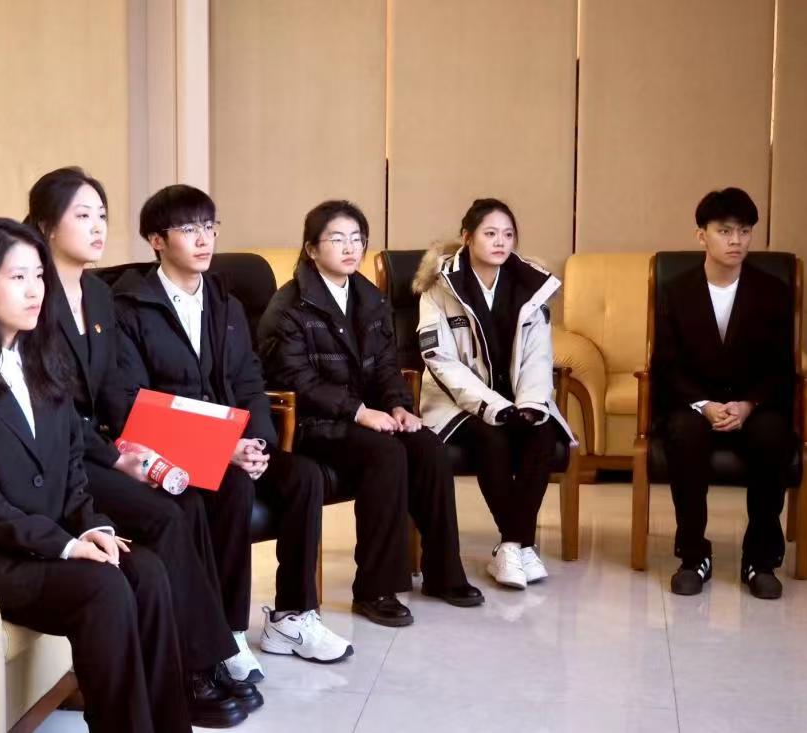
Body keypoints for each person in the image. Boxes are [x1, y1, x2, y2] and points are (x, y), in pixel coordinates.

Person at [0, 218, 190, 733]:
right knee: (102, 588)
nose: (35, 290)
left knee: (146, 571)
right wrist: (63, 544)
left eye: (39, 275)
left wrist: (92, 525)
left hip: (40, 540)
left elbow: (71, 466)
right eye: (18, 277)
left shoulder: (41, 358)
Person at [25, 166, 258, 727]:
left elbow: (114, 392)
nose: (98, 227)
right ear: (47, 226)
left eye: (102, 215)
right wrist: (118, 459)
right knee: (167, 514)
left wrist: (146, 451)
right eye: (82, 215)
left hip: (102, 444)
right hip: (62, 455)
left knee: (188, 495)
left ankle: (207, 651)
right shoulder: (33, 297)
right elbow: (48, 406)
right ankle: (195, 669)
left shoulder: (98, 295)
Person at [106, 184, 353, 681]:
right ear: (157, 240)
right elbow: (134, 404)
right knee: (234, 483)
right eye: (189, 229)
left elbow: (249, 382)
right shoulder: (129, 306)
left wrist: (257, 442)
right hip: (171, 451)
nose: (204, 239)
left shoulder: (225, 302)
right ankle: (228, 630)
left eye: (209, 226)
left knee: (303, 476)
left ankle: (292, 617)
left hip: (237, 445)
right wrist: (224, 448)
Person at [258, 199, 483, 627]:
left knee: (427, 447)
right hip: (310, 424)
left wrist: (399, 405)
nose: (350, 248)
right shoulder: (288, 306)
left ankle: (443, 572)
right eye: (337, 239)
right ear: (311, 249)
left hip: (363, 418)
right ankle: (375, 588)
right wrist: (359, 412)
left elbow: (385, 364)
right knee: (386, 454)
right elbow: (297, 381)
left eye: (357, 239)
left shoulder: (369, 297)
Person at [412, 198, 574, 590]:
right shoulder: (439, 288)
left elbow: (539, 356)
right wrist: (494, 407)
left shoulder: (529, 284)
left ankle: (512, 546)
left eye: (508, 234)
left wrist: (530, 405)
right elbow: (439, 360)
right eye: (490, 233)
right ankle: (521, 545)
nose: (501, 241)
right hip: (457, 403)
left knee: (542, 432)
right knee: (493, 437)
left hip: (518, 397)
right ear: (467, 237)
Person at [653, 187, 795, 600]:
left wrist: (748, 405)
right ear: (702, 236)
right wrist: (705, 405)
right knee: (684, 433)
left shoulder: (773, 290)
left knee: (773, 436)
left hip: (754, 402)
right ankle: (693, 555)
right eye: (725, 231)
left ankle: (760, 560)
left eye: (745, 231)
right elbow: (666, 363)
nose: (736, 241)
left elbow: (781, 365)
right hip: (694, 402)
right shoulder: (675, 290)